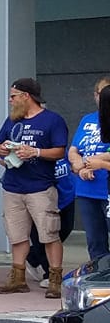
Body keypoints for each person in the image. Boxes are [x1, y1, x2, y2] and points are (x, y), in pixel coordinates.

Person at [0, 78, 69, 298]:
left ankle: (55, 279)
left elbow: (59, 151)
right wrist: (2, 150)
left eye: (13, 96)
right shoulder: (12, 120)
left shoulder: (52, 120)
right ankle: (17, 278)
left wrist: (35, 152)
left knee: (49, 233)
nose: (10, 100)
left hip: (40, 187)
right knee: (16, 235)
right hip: (13, 186)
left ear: (27, 96)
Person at [67, 79, 110, 264]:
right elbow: (73, 150)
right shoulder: (87, 120)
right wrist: (80, 165)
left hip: (106, 188)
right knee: (94, 240)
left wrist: (94, 162)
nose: (103, 98)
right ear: (95, 96)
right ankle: (100, 274)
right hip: (86, 189)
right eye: (100, 94)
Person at [28, 157, 77, 289]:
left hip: (66, 194)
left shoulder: (63, 146)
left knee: (66, 228)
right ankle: (49, 274)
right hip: (41, 194)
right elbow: (4, 158)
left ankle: (32, 256)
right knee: (45, 234)